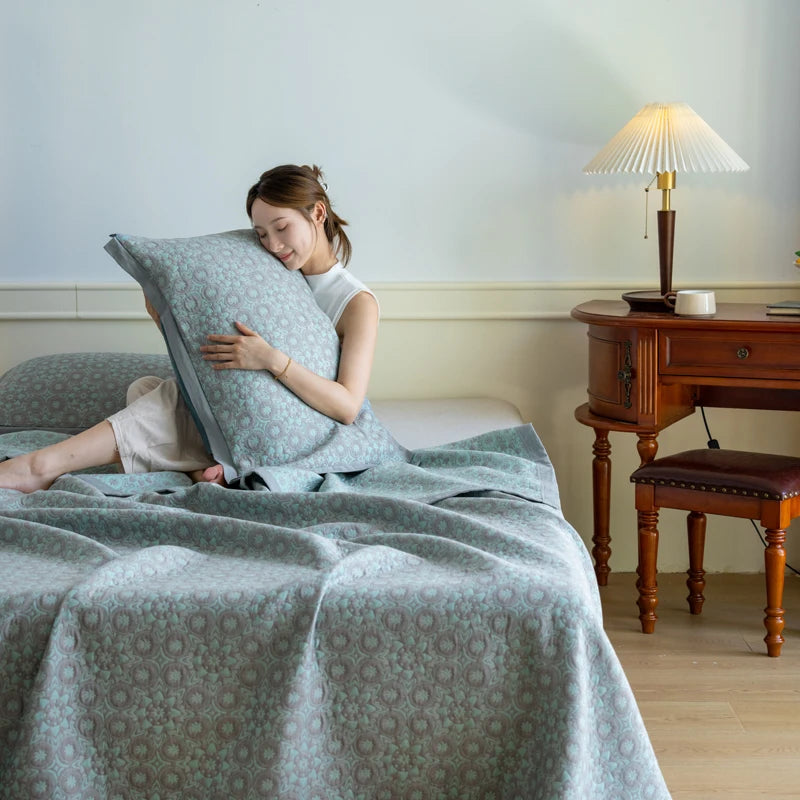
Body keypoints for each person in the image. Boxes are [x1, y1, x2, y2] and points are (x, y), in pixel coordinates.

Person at [0, 165, 379, 493]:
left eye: (281, 228)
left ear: (317, 213)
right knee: (145, 389)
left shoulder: (357, 302)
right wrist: (165, 318)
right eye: (261, 234)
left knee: (164, 404)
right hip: (248, 408)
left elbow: (347, 407)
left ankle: (40, 467)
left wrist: (271, 359)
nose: (273, 245)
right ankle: (205, 469)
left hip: (299, 431)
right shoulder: (270, 277)